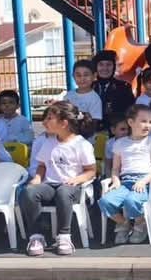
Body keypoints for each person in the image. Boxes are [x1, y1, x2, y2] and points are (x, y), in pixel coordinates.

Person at [19, 102, 97, 256]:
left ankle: (64, 236)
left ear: (63, 123)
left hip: (72, 188)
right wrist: (37, 178)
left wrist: (78, 179)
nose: (44, 122)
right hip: (50, 185)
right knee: (29, 192)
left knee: (63, 192)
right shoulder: (49, 142)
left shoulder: (82, 144)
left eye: (49, 118)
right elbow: (42, 165)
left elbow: (91, 171)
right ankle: (36, 236)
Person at [99, 104, 151, 245]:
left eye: (150, 122)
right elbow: (115, 168)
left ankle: (140, 223)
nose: (148, 125)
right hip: (125, 182)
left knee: (131, 201)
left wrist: (143, 181)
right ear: (131, 122)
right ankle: (124, 223)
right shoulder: (121, 143)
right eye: (143, 121)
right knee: (105, 201)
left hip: (144, 182)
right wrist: (115, 180)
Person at [91, 50, 136, 121]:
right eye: (101, 64)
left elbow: (130, 112)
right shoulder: (89, 87)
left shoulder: (124, 87)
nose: (105, 68)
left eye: (108, 64)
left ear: (114, 67)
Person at [65, 60, 103, 131]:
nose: (82, 78)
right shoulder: (69, 95)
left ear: (94, 76)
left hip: (86, 137)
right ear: (73, 76)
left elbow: (94, 122)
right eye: (78, 75)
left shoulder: (95, 99)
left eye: (86, 75)